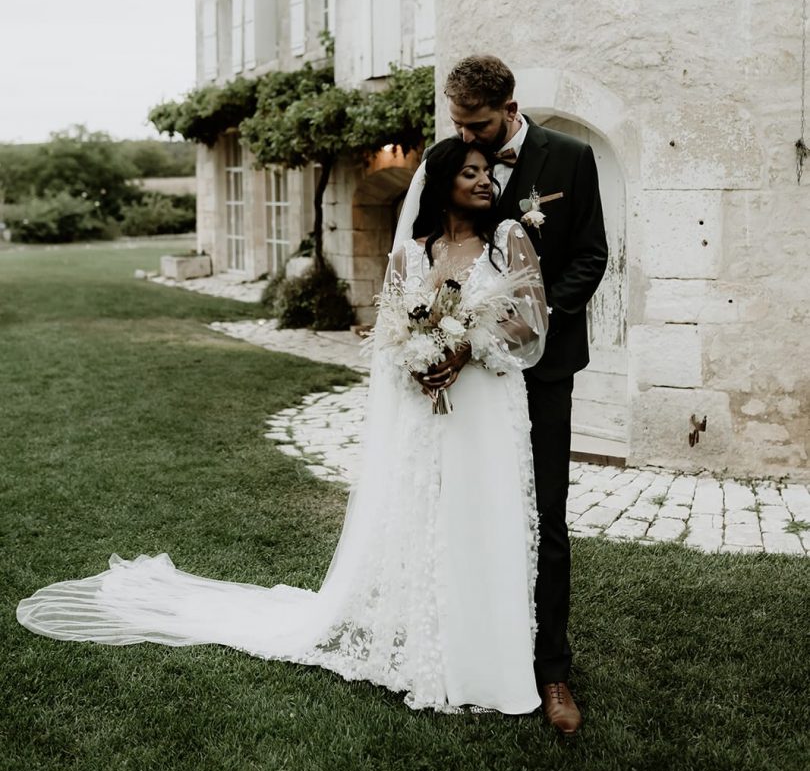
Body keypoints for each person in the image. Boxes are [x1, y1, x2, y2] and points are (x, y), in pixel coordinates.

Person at [17, 139, 548, 717]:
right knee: (432, 520)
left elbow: (531, 324)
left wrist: (466, 346)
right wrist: (418, 362)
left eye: (486, 173)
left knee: (484, 514)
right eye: (469, 172)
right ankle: (436, 650)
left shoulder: (507, 241)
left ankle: (493, 662)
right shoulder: (413, 254)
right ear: (442, 180)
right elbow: (389, 332)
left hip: (486, 403)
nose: (483, 182)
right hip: (429, 406)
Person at [436, 55, 609, 736]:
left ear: (511, 107)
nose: (470, 139)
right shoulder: (451, 158)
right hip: (470, 375)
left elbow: (591, 256)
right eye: (459, 125)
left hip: (542, 369)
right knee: (476, 511)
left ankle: (551, 669)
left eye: (478, 124)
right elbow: (431, 247)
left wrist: (527, 324)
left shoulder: (569, 157)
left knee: (546, 516)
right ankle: (480, 649)